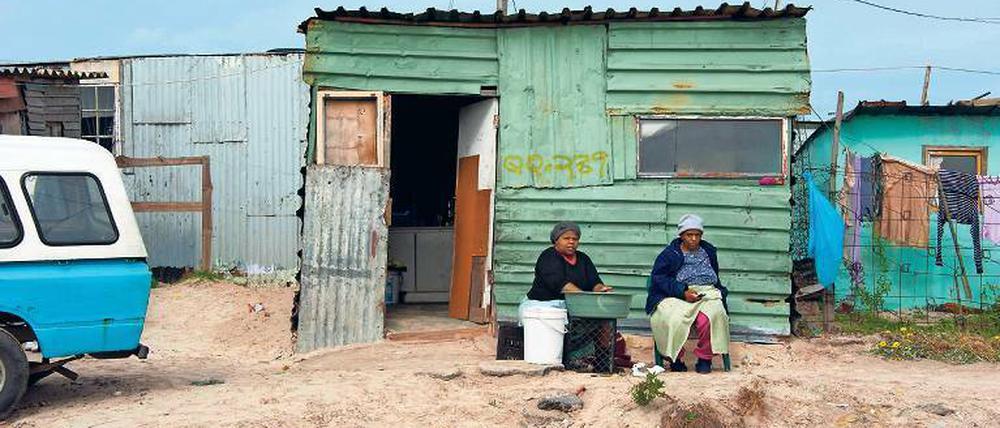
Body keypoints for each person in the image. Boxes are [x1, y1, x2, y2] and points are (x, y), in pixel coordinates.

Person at [646, 214, 730, 374]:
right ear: (681, 236)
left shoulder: (709, 251)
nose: (693, 239)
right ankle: (675, 357)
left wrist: (714, 291)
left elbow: (715, 277)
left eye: (697, 235)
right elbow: (658, 278)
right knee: (674, 319)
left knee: (710, 318)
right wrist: (682, 292)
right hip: (677, 293)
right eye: (689, 235)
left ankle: (705, 359)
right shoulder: (670, 254)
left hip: (707, 292)